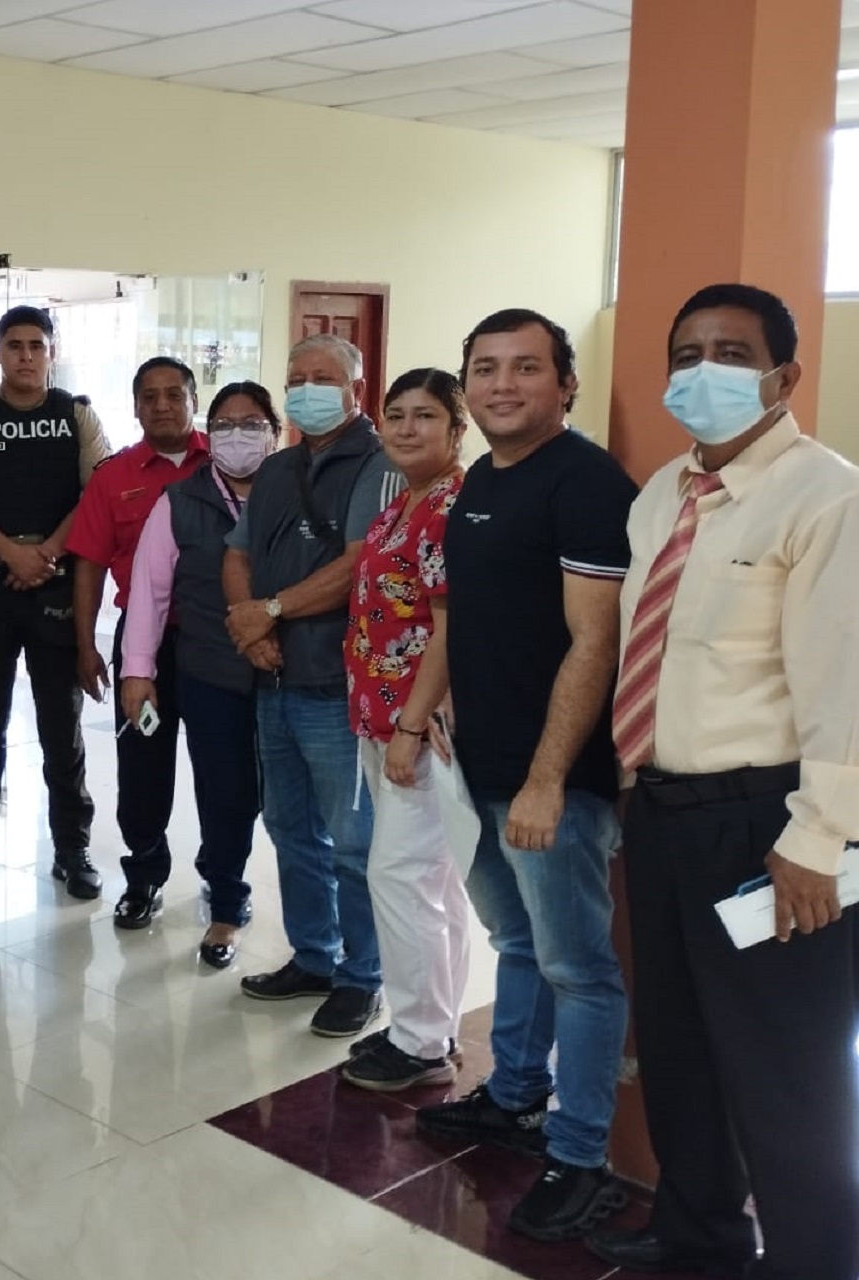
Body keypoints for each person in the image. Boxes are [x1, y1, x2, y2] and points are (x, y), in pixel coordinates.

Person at [587, 284, 859, 1280]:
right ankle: (699, 1232)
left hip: (767, 822)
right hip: (664, 812)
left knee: (788, 1068)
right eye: (687, 353)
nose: (704, 371)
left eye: (733, 353)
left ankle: (815, 1260)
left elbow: (846, 687)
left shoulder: (828, 497)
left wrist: (817, 840)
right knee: (680, 1045)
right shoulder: (663, 493)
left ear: (785, 377)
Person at [417, 308, 637, 1243]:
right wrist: (441, 707)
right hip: (481, 765)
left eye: (526, 367)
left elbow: (596, 640)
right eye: (486, 367)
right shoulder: (481, 478)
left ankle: (580, 1156)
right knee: (516, 941)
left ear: (566, 383)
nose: (502, 384)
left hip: (555, 776)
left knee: (578, 969)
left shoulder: (586, 483)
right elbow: (475, 617)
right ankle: (513, 1094)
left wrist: (550, 778)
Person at [223, 333, 397, 1039]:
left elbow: (360, 565)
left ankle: (363, 976)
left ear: (357, 389)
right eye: (295, 378)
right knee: (290, 828)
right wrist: (251, 628)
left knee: (353, 842)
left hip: (335, 682)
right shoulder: (278, 468)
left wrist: (269, 611)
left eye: (322, 378)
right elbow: (237, 554)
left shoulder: (379, 463)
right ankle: (315, 957)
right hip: (273, 678)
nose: (305, 389)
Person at [0, 305, 110, 901]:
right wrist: (13, 554)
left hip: (57, 586)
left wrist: (48, 555)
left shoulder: (77, 414)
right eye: (15, 345)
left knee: (61, 726)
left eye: (37, 345)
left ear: (51, 352)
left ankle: (72, 848)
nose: (27, 356)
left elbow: (96, 495)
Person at [339, 368, 473, 1092]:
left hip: (415, 727)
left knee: (399, 874)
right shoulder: (401, 504)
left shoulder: (449, 507)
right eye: (395, 415)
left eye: (426, 416)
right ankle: (433, 1026)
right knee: (429, 881)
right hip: (382, 717)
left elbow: (450, 630)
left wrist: (412, 726)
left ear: (458, 429)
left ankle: (419, 1043)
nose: (406, 428)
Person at [120, 383, 281, 967]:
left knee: (276, 799)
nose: (238, 436)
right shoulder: (180, 500)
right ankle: (227, 905)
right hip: (210, 672)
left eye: (252, 424)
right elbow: (149, 592)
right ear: (208, 436)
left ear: (275, 432)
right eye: (225, 424)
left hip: (290, 674)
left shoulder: (295, 489)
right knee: (225, 792)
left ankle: (304, 916)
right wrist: (137, 672)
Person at [66, 356, 209, 928]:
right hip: (144, 647)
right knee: (143, 763)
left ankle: (224, 877)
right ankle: (145, 875)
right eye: (149, 397)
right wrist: (86, 645)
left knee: (224, 765)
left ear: (194, 401)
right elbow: (89, 565)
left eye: (174, 394)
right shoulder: (114, 476)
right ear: (135, 407)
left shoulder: (226, 464)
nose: (162, 406)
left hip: (217, 642)